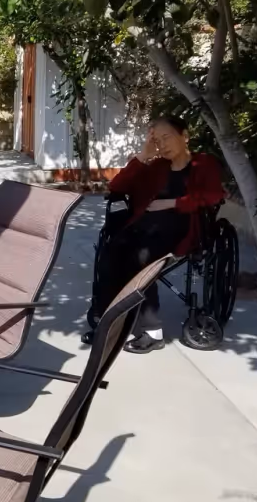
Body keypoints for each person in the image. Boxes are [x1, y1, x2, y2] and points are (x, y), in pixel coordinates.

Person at [86, 115, 225, 352]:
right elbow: (117, 187)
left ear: (185, 136)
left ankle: (152, 332)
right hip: (144, 227)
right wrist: (143, 155)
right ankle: (107, 320)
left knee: (142, 258)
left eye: (167, 137)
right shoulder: (157, 167)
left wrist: (173, 203)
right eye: (157, 140)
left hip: (182, 231)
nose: (162, 144)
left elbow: (214, 196)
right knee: (110, 252)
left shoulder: (204, 163)